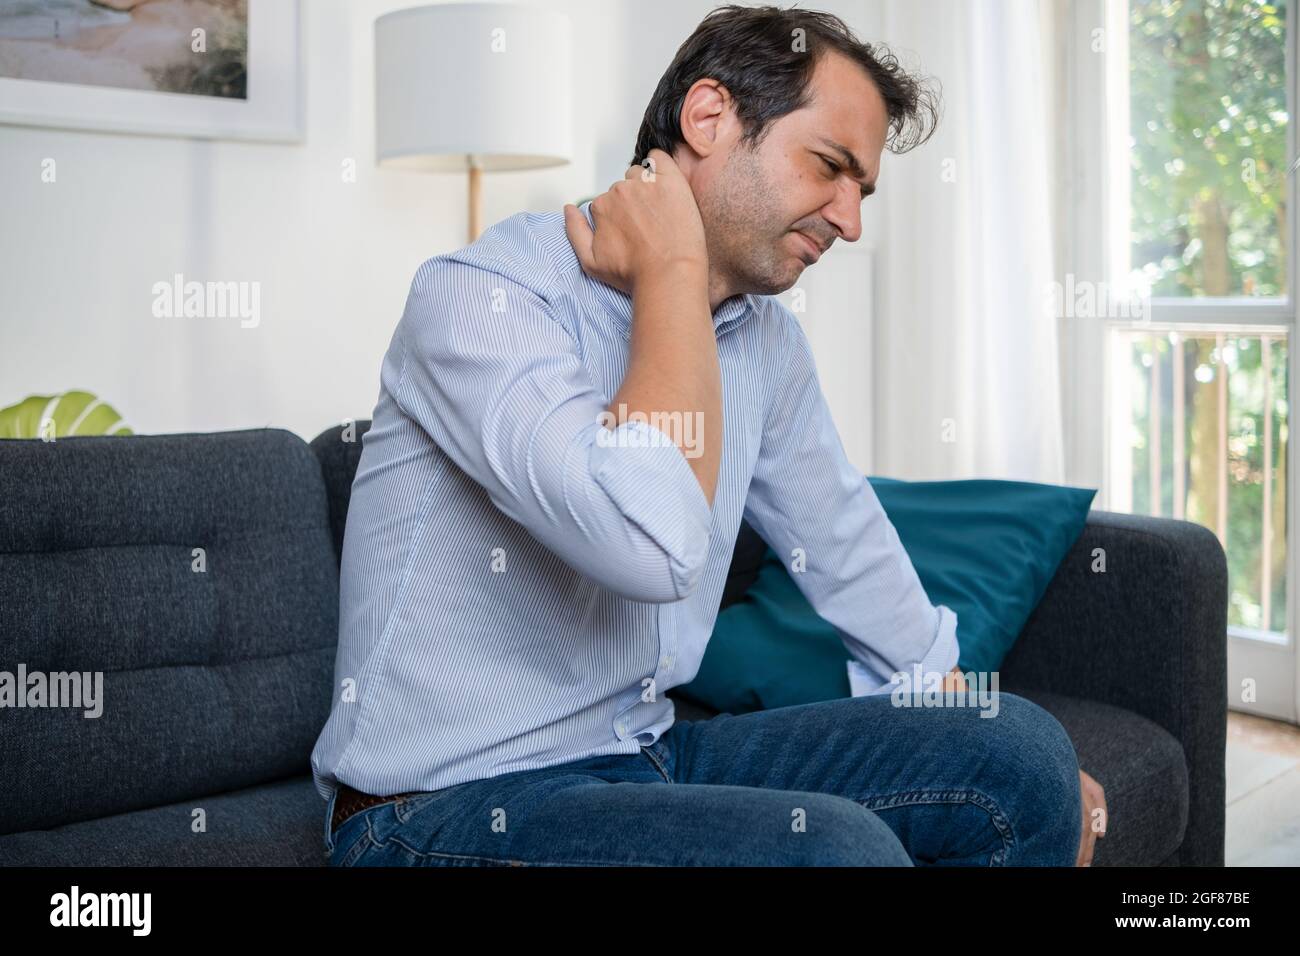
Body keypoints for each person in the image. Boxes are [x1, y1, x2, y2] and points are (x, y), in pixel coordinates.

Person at [312, 3, 1105, 867]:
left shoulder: (764, 339)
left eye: (862, 190)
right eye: (830, 168)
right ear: (709, 118)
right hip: (435, 809)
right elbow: (646, 546)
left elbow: (840, 538)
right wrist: (673, 273)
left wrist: (984, 726)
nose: (850, 220)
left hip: (647, 758)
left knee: (1019, 755)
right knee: (832, 856)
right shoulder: (483, 298)